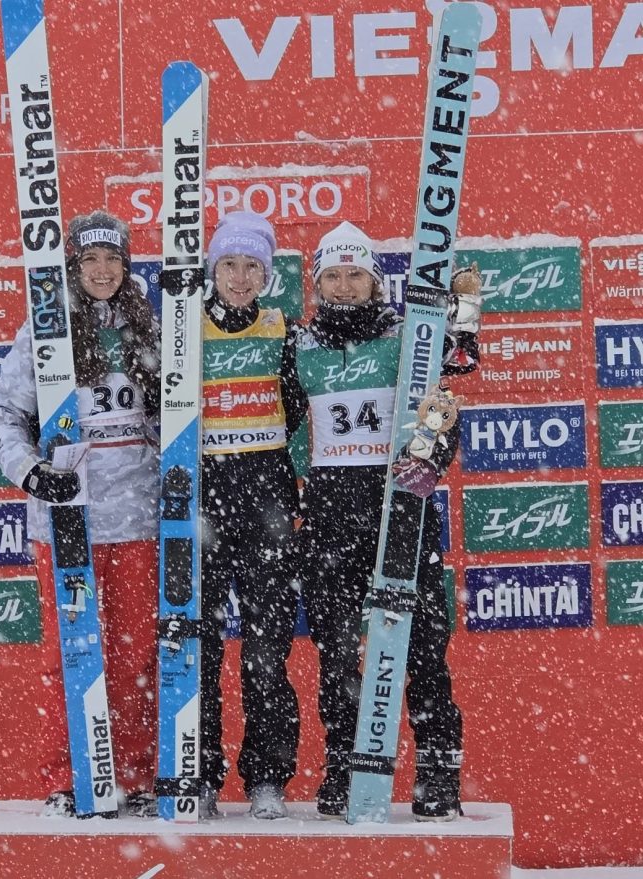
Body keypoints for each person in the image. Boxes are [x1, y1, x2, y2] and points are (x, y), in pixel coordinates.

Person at [292, 220, 480, 821]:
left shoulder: (408, 336)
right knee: (338, 653)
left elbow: (446, 397)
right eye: (333, 276)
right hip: (330, 517)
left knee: (422, 649)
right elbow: (284, 425)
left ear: (376, 282)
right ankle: (347, 768)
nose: (345, 286)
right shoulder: (299, 346)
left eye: (356, 274)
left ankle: (438, 773)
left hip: (400, 510)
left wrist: (432, 459)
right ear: (317, 284)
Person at [0, 211, 161, 818]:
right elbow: (2, 413)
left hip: (137, 517)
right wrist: (29, 471)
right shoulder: (45, 330)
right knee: (74, 656)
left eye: (113, 259)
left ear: (126, 266)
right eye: (90, 260)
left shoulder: (149, 327)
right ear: (72, 268)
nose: (102, 271)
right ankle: (70, 777)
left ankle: (133, 775)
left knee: (136, 658)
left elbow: (171, 418)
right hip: (67, 519)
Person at [197, 210, 307, 819]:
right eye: (229, 266)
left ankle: (267, 777)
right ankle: (200, 774)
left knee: (266, 651)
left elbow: (298, 411)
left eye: (252, 267)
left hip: (267, 505)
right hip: (205, 505)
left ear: (267, 275)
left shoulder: (282, 330)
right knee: (201, 648)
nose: (240, 278)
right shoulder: (184, 329)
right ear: (213, 271)